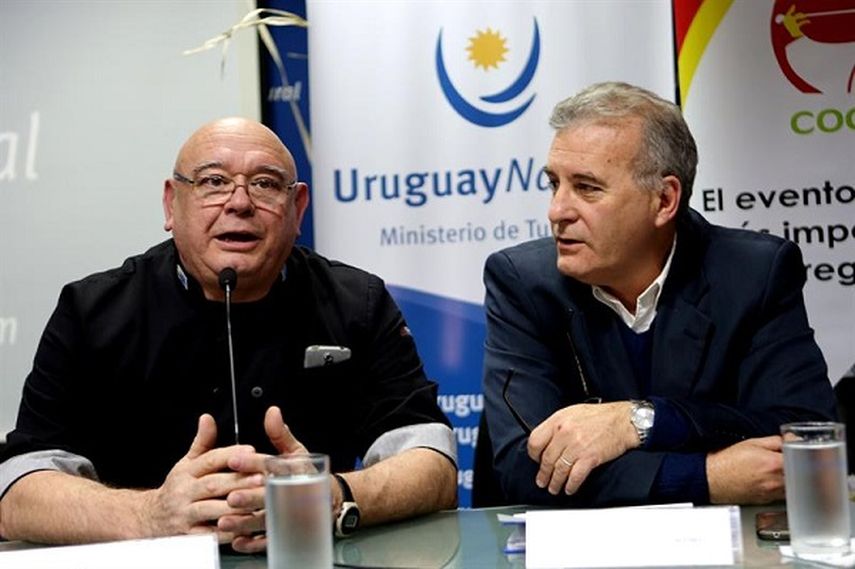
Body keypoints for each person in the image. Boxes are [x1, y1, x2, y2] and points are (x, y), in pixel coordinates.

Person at [0, 118, 457, 550]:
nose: (239, 202)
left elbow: (432, 461)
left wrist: (330, 495)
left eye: (264, 184)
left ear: (297, 209)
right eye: (213, 181)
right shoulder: (93, 311)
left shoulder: (357, 301)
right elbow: (18, 489)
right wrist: (148, 515)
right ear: (170, 204)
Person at [482, 82, 837, 507]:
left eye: (587, 187)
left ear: (665, 200)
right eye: (554, 184)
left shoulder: (752, 274)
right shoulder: (522, 282)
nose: (557, 210)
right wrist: (707, 476)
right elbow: (527, 469)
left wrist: (640, 421)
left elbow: (805, 438)